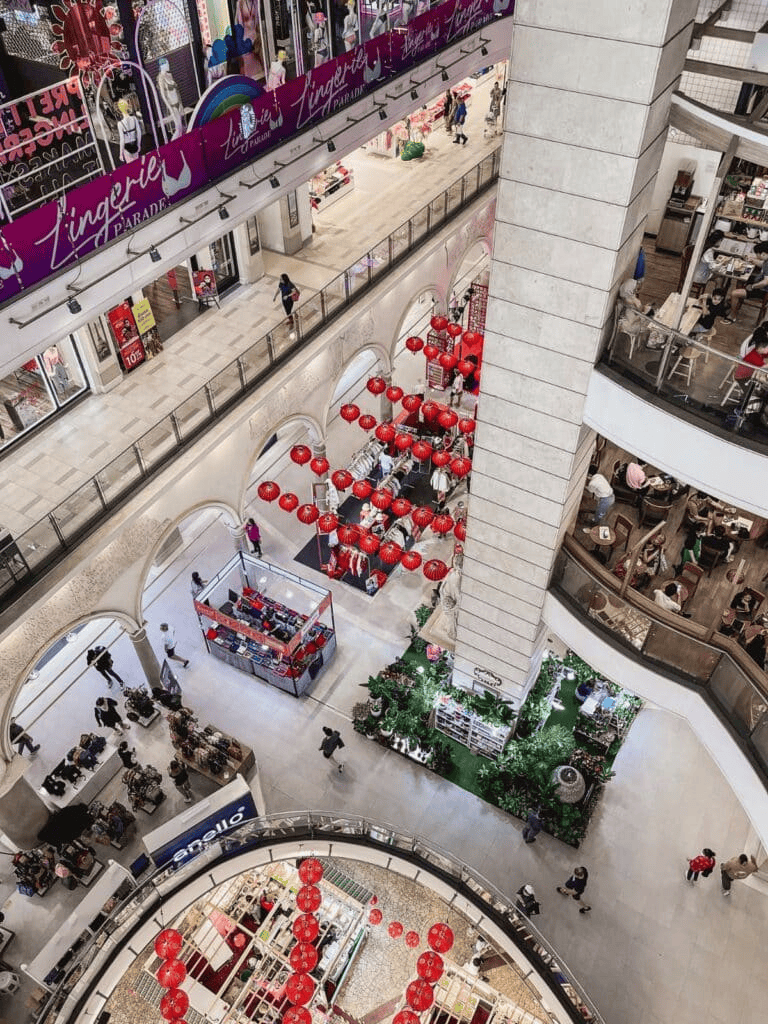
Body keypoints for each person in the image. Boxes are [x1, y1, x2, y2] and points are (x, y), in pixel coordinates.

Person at [726, 240, 768, 321]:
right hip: (759, 283)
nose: (757, 255)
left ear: (763, 253)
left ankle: (733, 315)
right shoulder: (766, 261)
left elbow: (765, 282)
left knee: (734, 293)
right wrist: (752, 260)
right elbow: (762, 264)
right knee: (740, 280)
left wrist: (752, 286)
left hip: (762, 290)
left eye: (758, 254)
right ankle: (735, 303)